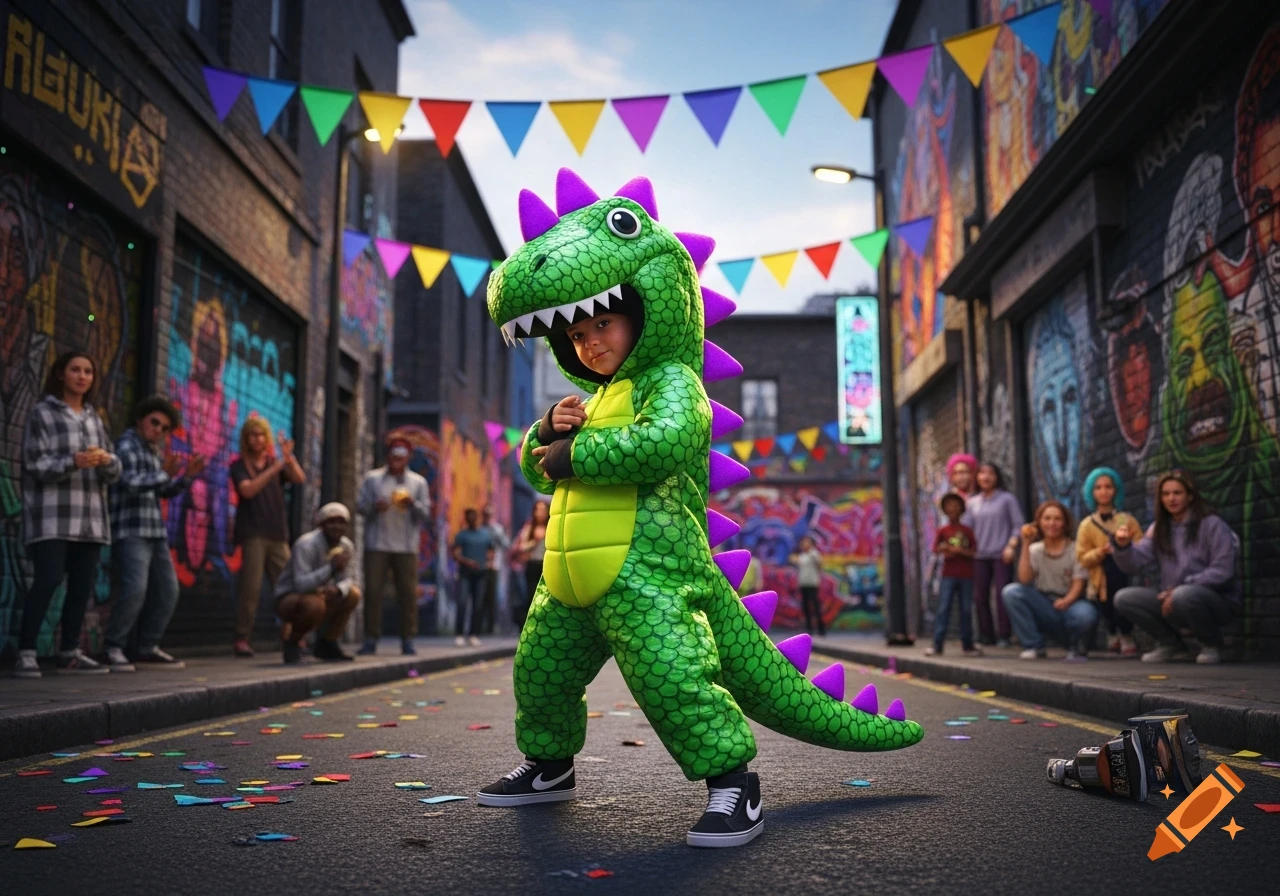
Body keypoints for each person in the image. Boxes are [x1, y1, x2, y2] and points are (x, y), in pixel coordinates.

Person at [478, 171, 921, 849]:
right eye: (575, 335)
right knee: (539, 671)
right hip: (568, 582)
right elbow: (542, 482)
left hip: (653, 574)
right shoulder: (590, 402)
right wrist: (546, 435)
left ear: (649, 307)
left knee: (674, 675)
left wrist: (577, 457)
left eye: (603, 322)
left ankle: (734, 786)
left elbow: (663, 445)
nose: (590, 341)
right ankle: (548, 766)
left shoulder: (674, 384)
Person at [13, 352, 121, 678]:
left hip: (90, 521)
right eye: (75, 369)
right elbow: (35, 464)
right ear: (61, 374)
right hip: (53, 518)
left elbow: (115, 471)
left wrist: (106, 462)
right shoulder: (43, 413)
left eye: (88, 371)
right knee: (46, 581)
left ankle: (69, 653)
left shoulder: (94, 418)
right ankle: (26, 652)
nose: (82, 376)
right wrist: (73, 461)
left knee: (81, 588)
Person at [104, 395, 207, 671]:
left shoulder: (152, 450)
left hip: (154, 531)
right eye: (155, 423)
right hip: (131, 528)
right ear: (140, 419)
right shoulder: (126, 445)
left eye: (164, 428)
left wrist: (186, 476)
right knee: (135, 588)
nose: (159, 431)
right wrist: (163, 472)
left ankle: (147, 647)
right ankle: (114, 646)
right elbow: (130, 484)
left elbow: (162, 491)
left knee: (168, 590)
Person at [1112, 472, 1239, 665]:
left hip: (1216, 601)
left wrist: (1180, 588)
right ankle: (1171, 644)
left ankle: (1212, 644)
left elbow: (1223, 569)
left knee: (1184, 595)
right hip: (1172, 600)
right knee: (1124, 598)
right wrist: (1122, 546)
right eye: (1166, 494)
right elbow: (1135, 563)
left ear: (1190, 495)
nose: (1171, 498)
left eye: (1177, 493)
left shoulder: (1211, 524)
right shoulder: (1160, 528)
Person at [229, 416, 305, 657]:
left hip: (277, 533)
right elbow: (247, 490)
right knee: (250, 589)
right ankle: (242, 638)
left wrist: (288, 458)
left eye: (262, 435)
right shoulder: (239, 465)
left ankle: (292, 636)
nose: (258, 440)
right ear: (246, 438)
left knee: (287, 587)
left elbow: (299, 478)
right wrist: (275, 468)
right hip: (253, 534)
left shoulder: (276, 463)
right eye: (253, 435)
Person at [356, 436, 430, 656]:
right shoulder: (373, 479)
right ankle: (371, 638)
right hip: (377, 543)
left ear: (407, 458)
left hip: (406, 546)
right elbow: (360, 507)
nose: (397, 461)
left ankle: (407, 639)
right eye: (393, 456)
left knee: (407, 594)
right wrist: (374, 506)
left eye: (401, 457)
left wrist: (412, 504)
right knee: (373, 591)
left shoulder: (417, 483)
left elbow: (426, 514)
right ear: (388, 456)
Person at [1002, 500, 1098, 660]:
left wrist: (1066, 601)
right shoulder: (1035, 549)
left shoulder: (1076, 549)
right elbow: (1024, 580)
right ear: (1039, 522)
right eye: (1047, 518)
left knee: (1086, 614)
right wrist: (1025, 544)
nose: (1052, 523)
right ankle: (1034, 645)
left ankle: (1076, 647)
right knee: (1011, 592)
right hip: (1045, 604)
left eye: (1057, 519)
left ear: (1065, 523)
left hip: (1070, 604)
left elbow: (1078, 583)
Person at [273, 502, 361, 664]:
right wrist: (331, 567)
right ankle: (293, 642)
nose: (337, 527)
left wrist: (338, 589)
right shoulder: (306, 544)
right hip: (291, 597)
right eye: (332, 522)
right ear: (321, 525)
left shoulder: (346, 546)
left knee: (353, 594)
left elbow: (350, 578)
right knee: (315, 605)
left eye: (341, 522)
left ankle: (328, 643)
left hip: (322, 594)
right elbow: (301, 584)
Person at [1075, 467, 1140, 657]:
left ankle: (1126, 635)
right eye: (1098, 488)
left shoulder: (1126, 520)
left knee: (1123, 601)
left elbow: (1141, 546)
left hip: (1123, 571)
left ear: (1115, 490)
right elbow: (1082, 557)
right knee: (1107, 606)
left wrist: (1125, 546)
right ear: (1091, 492)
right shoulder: (1087, 525)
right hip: (1100, 576)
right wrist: (1100, 552)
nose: (1103, 491)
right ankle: (1113, 633)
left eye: (1108, 487)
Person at [965, 462, 1023, 647]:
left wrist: (1011, 546)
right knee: (979, 596)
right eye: (982, 473)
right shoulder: (972, 503)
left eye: (990, 473)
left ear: (997, 477)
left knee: (1001, 595)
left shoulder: (1007, 499)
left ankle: (1005, 635)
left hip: (1001, 554)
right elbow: (966, 529)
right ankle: (986, 635)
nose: (986, 477)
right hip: (979, 556)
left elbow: (1018, 525)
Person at [926, 493, 980, 657]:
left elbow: (974, 552)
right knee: (943, 609)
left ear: (962, 509)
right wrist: (945, 549)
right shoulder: (942, 530)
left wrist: (959, 551)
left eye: (956, 506)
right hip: (947, 575)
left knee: (966, 610)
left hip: (966, 575)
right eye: (949, 506)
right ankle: (937, 645)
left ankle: (968, 645)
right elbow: (935, 549)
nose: (953, 509)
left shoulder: (967, 531)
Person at [451, 507, 493, 647]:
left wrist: (488, 562)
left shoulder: (485, 535)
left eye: (474, 517)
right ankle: (459, 634)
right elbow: (454, 553)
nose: (472, 520)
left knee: (478, 605)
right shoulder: (462, 535)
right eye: (469, 517)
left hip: (481, 574)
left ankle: (474, 634)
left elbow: (491, 550)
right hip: (465, 573)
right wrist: (467, 562)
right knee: (462, 603)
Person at [511, 500, 549, 629]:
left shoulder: (552, 526)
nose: (539, 513)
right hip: (533, 565)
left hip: (548, 565)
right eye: (537, 510)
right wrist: (535, 540)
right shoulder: (529, 527)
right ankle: (531, 626)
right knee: (532, 595)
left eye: (542, 510)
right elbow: (521, 547)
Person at [481, 505, 511, 635]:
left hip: (494, 567)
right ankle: (480, 625)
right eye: (485, 515)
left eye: (489, 515)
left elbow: (506, 544)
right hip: (481, 566)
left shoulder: (496, 529)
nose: (487, 517)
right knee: (480, 597)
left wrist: (499, 534)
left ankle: (491, 626)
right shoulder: (480, 528)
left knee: (491, 597)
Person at [789, 535, 825, 636]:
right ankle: (810, 629)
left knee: (815, 607)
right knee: (806, 608)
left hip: (813, 584)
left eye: (806, 542)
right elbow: (795, 561)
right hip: (803, 584)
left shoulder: (814, 554)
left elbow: (819, 565)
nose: (804, 544)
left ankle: (821, 629)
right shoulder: (802, 555)